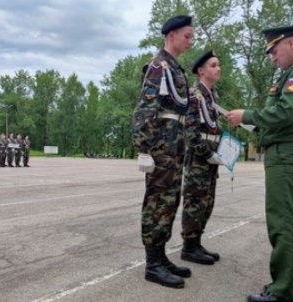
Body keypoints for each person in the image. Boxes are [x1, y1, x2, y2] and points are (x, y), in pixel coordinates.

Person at [226, 25, 293, 302]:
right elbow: (279, 114)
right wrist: (253, 124)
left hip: (286, 154)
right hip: (287, 150)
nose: (271, 56)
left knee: (282, 222)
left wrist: (248, 114)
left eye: (274, 50)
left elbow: (286, 111)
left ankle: (283, 291)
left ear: (291, 44)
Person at [131, 15, 194, 289]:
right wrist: (145, 150)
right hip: (160, 150)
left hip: (173, 147)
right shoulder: (159, 67)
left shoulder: (175, 68)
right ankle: (152, 264)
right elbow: (144, 111)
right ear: (171, 36)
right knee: (157, 204)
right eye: (187, 36)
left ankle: (161, 256)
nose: (190, 41)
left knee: (170, 202)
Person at [180, 50, 223, 266]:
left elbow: (214, 129)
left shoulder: (212, 96)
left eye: (218, 65)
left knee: (207, 202)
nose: (218, 69)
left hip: (211, 159)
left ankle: (196, 243)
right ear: (201, 71)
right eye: (213, 65)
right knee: (195, 202)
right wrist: (209, 154)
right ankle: (188, 247)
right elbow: (191, 132)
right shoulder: (194, 95)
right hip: (199, 160)